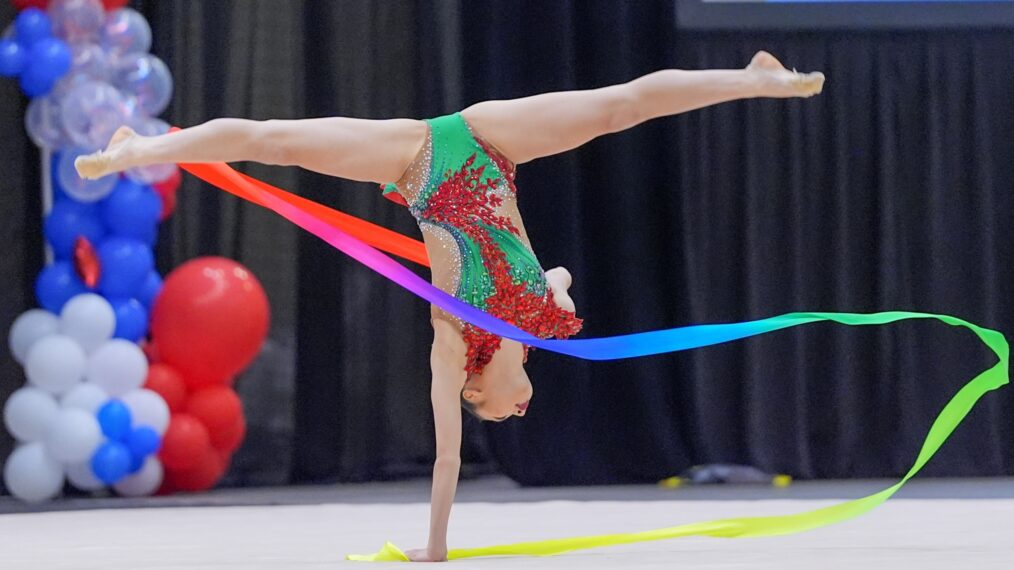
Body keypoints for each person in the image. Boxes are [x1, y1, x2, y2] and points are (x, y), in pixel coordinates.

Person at [76, 51, 824, 562]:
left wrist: (436, 545)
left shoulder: (448, 341)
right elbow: (556, 274)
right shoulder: (542, 325)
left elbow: (445, 458)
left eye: (498, 413)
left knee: (276, 142)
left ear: (475, 389)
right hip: (491, 151)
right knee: (614, 110)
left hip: (423, 161)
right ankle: (139, 149)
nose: (518, 412)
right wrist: (550, 287)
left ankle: (753, 77)